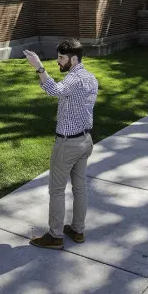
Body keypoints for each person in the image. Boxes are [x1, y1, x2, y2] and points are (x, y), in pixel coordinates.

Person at [24, 38, 98, 250]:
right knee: (80, 188)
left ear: (73, 59)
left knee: (56, 190)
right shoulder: (90, 78)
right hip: (85, 141)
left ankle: (55, 236)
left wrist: (39, 67)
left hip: (68, 144)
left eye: (61, 58)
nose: (58, 62)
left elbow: (54, 90)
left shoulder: (74, 80)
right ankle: (78, 230)